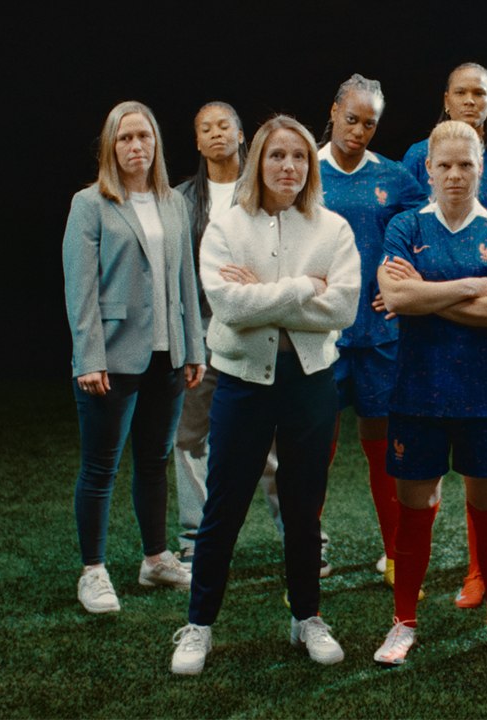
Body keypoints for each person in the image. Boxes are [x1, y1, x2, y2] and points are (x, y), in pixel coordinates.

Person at [169, 116, 361, 674]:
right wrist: (306, 289)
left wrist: (267, 295)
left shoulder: (334, 229)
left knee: (303, 508)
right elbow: (229, 307)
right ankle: (198, 625)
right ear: (259, 161)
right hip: (242, 385)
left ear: (310, 165)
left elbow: (344, 308)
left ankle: (306, 617)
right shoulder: (227, 227)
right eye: (277, 156)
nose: (289, 167)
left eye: (299, 157)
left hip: (309, 384)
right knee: (222, 508)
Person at [372, 120, 487, 666]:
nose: (456, 175)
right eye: (445, 165)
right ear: (429, 170)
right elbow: (394, 294)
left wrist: (424, 294)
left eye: (466, 164)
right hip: (416, 395)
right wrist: (466, 287)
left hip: (486, 397)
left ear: (482, 169)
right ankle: (403, 622)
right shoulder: (402, 226)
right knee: (413, 511)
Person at [62, 100, 205, 614]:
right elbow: (79, 291)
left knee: (154, 461)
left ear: (156, 144)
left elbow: (187, 279)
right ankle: (93, 571)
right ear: (110, 146)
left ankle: (155, 558)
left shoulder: (174, 203)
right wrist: (88, 357)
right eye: (124, 138)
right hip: (114, 357)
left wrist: (194, 346)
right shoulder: (91, 204)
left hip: (168, 355)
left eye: (143, 136)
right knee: (100, 468)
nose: (135, 146)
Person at [317, 74, 428, 589]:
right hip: (321, 335)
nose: (359, 130)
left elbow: (423, 231)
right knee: (317, 444)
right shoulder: (306, 170)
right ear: (335, 110)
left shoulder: (394, 176)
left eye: (370, 123)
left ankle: (394, 551)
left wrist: (404, 282)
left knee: (383, 448)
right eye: (352, 118)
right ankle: (308, 548)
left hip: (381, 335)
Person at [172, 101, 287, 565]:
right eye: (205, 128)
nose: (216, 133)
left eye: (224, 125)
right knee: (189, 438)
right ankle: (195, 540)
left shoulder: (264, 190)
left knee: (271, 442)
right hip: (200, 331)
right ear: (197, 142)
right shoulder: (181, 200)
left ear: (242, 136)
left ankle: (297, 537)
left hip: (257, 327)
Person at [402, 63, 487, 210]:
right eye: (460, 92)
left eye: (478, 93)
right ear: (446, 100)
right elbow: (402, 211)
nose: (469, 101)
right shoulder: (419, 154)